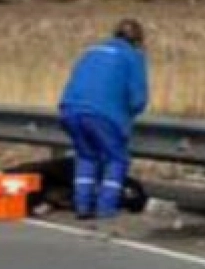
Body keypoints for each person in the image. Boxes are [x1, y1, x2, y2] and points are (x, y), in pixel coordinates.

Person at [58, 18, 149, 219]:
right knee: (117, 159)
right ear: (138, 40)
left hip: (70, 109)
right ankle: (106, 208)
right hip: (102, 114)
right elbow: (138, 100)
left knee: (86, 156)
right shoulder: (133, 56)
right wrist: (128, 117)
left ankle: (82, 205)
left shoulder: (91, 51)